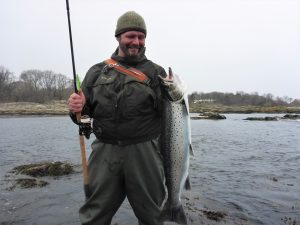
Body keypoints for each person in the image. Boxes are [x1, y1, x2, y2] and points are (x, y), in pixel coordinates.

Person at [68, 11, 172, 225]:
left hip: (145, 153)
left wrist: (175, 95)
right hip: (105, 152)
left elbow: (170, 117)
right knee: (94, 215)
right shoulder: (96, 72)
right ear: (118, 37)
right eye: (131, 36)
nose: (136, 42)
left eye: (141, 37)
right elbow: (84, 120)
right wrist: (76, 110)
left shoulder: (156, 73)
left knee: (153, 216)